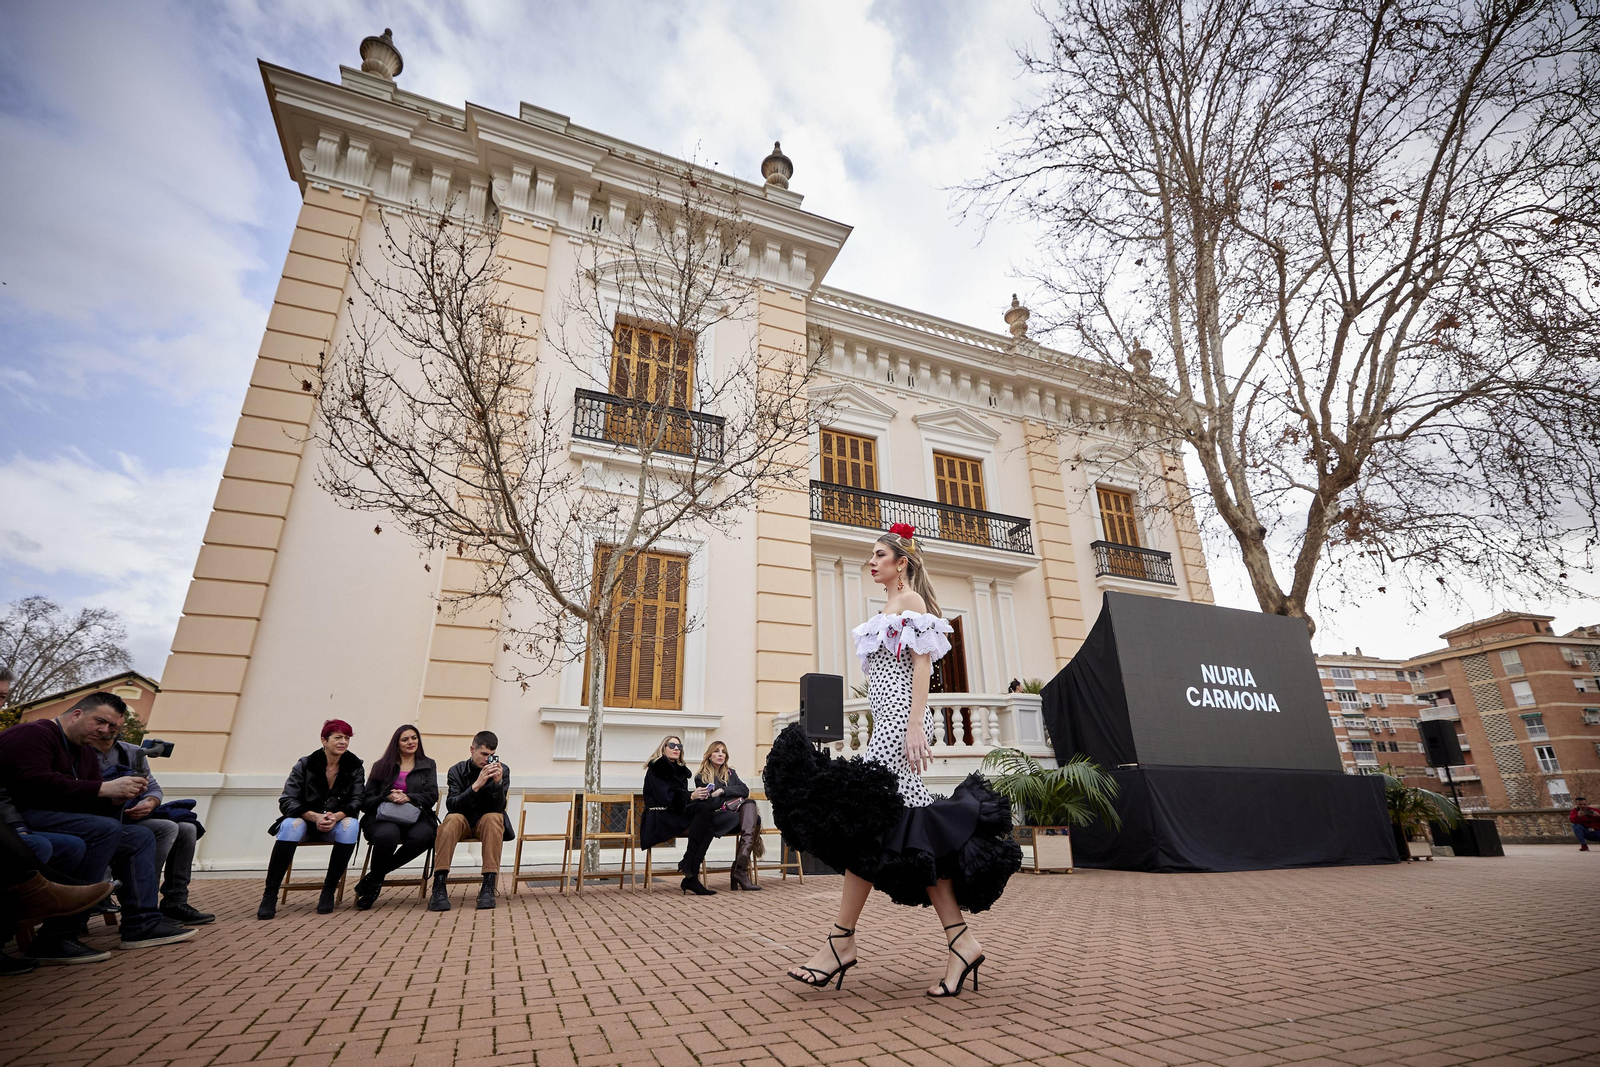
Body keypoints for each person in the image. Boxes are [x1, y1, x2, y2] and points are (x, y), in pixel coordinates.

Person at [766, 523, 1021, 996]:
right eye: (872, 555)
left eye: (880, 555)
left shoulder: (911, 602)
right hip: (887, 720)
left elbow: (923, 666)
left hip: (899, 723)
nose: (872, 561)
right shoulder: (886, 609)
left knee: (869, 824)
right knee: (907, 832)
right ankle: (960, 942)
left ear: (901, 562)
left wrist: (914, 725)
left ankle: (841, 942)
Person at [0, 692, 197, 961]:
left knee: (139, 836)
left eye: (113, 726)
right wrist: (103, 789)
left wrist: (116, 798)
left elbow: (92, 803)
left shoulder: (84, 752)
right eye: (100, 721)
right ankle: (58, 936)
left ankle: (141, 923)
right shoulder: (33, 734)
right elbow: (32, 784)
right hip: (21, 818)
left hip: (63, 819)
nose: (105, 731)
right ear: (77, 714)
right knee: (103, 830)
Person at [90, 727, 213, 925]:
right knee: (167, 828)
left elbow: (153, 788)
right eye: (104, 721)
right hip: (103, 820)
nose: (110, 727)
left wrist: (149, 802)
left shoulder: (131, 751)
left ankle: (175, 901)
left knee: (187, 828)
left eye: (116, 722)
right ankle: (146, 903)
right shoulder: (80, 752)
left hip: (130, 817)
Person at [258, 719, 365, 919]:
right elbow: (287, 800)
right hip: (305, 822)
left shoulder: (355, 766)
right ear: (324, 740)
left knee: (351, 826)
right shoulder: (305, 764)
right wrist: (314, 816)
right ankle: (270, 894)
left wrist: (336, 816)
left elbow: (358, 800)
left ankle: (328, 891)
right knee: (290, 826)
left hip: (334, 823)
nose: (343, 742)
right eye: (338, 737)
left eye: (347, 738)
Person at [353, 724, 439, 909]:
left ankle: (373, 878)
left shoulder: (428, 764)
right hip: (383, 817)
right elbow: (366, 799)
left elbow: (431, 795)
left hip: (415, 816)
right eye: (405, 739)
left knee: (425, 835)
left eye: (414, 738)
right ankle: (374, 889)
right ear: (397, 744)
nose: (411, 742)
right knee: (387, 835)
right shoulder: (381, 766)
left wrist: (409, 797)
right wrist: (387, 796)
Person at [431, 731, 514, 911]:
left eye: (491, 755)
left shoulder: (502, 771)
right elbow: (452, 805)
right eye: (484, 754)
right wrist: (476, 785)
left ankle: (488, 886)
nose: (487, 759)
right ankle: (439, 885)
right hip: (462, 822)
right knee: (452, 819)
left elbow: (499, 807)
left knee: (494, 818)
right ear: (472, 750)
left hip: (486, 823)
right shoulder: (456, 771)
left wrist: (498, 784)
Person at [639, 735, 719, 895]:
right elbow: (665, 798)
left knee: (708, 825)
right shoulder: (656, 768)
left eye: (679, 746)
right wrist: (690, 796)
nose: (676, 748)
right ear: (663, 748)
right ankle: (689, 866)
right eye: (672, 745)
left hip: (674, 814)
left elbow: (679, 800)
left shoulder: (680, 770)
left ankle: (690, 873)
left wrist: (695, 796)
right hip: (659, 817)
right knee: (703, 814)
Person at [695, 741, 765, 891]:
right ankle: (740, 869)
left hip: (735, 815)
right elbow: (709, 803)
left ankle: (740, 865)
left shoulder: (730, 773)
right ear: (709, 755)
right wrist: (731, 795)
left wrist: (723, 791)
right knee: (753, 818)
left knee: (751, 805)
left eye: (723, 752)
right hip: (718, 817)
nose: (720, 754)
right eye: (716, 751)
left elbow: (744, 790)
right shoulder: (701, 777)